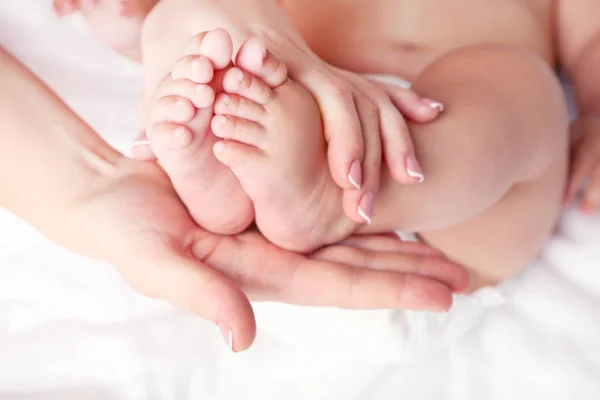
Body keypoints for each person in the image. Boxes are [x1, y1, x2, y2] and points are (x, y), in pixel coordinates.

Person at [62, 0, 585, 290]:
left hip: (456, 197)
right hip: (292, 122)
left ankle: (337, 194)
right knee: (194, 22)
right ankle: (223, 172)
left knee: (523, 86)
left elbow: (591, 39)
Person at [0, 37, 468, 354]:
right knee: (507, 82)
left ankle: (281, 193)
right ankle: (304, 196)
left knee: (508, 88)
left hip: (374, 219)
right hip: (322, 162)